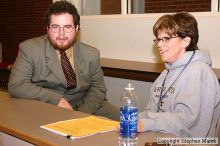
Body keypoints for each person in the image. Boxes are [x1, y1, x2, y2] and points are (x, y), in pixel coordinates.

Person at [8, 1, 119, 121]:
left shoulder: (91, 54)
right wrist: (57, 100)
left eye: (67, 27)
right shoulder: (30, 49)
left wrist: (81, 114)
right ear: (47, 28)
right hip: (47, 105)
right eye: (55, 27)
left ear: (76, 28)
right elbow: (16, 85)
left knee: (128, 122)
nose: (61, 34)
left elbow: (98, 89)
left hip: (85, 104)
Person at [137, 12, 220, 137]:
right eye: (158, 39)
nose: (159, 44)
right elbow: (150, 111)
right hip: (159, 138)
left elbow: (189, 122)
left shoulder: (200, 72)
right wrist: (133, 120)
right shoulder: (165, 74)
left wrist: (149, 123)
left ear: (185, 41)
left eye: (166, 38)